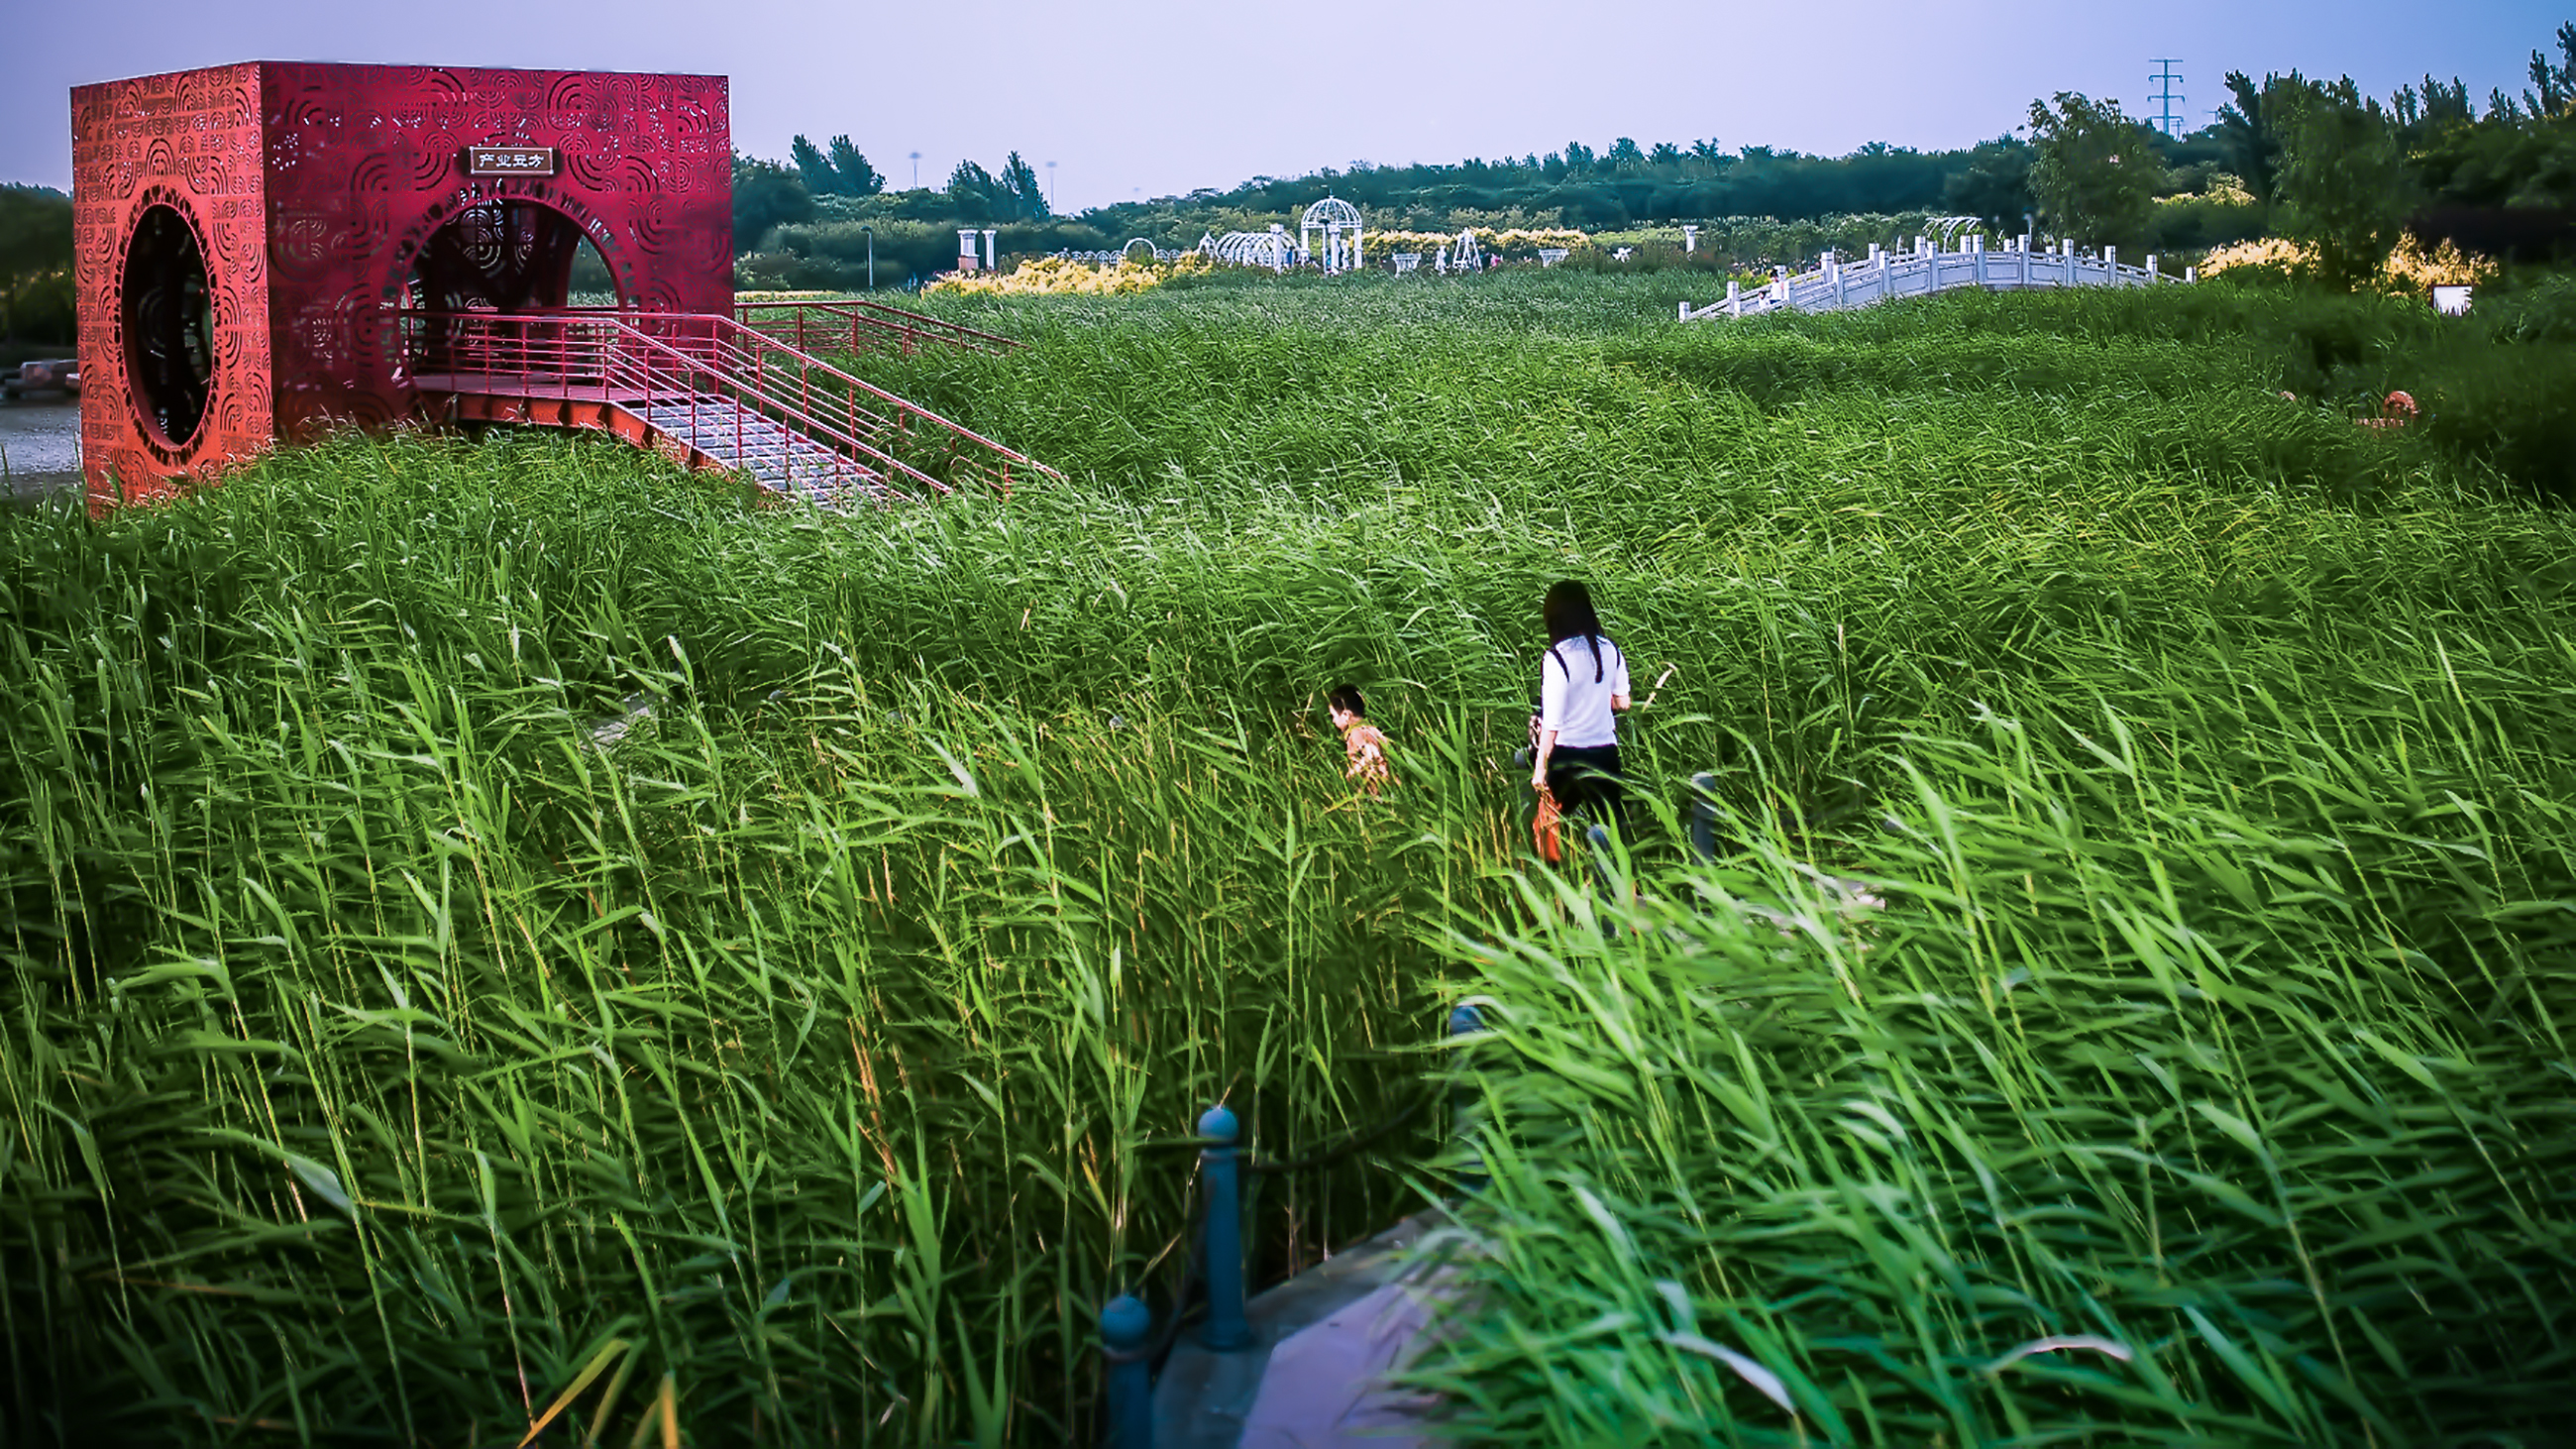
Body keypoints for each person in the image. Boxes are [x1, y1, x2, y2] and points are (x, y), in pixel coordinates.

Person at [1529, 581, 1631, 832]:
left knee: (1548, 827)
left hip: (1567, 758)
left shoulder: (1556, 658)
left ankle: (1549, 867)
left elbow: (1552, 722)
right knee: (1610, 832)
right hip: (1606, 755)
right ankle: (1612, 869)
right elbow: (1623, 703)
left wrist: (1540, 768)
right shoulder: (1611, 650)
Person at [1327, 684, 1391, 794]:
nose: (1333, 721)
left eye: (1334, 716)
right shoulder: (1373, 729)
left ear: (1346, 715)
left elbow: (1371, 755)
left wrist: (1352, 773)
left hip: (1377, 788)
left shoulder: (1357, 733)